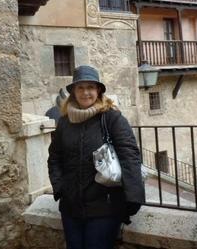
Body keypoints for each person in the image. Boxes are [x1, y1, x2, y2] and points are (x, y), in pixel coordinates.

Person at [48, 65, 145, 249]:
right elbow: (54, 157)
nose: (86, 93)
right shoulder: (64, 123)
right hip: (71, 208)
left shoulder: (112, 119)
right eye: (80, 88)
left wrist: (133, 198)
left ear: (98, 91)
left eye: (91, 87)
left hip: (105, 208)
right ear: (73, 92)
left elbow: (130, 156)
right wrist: (60, 189)